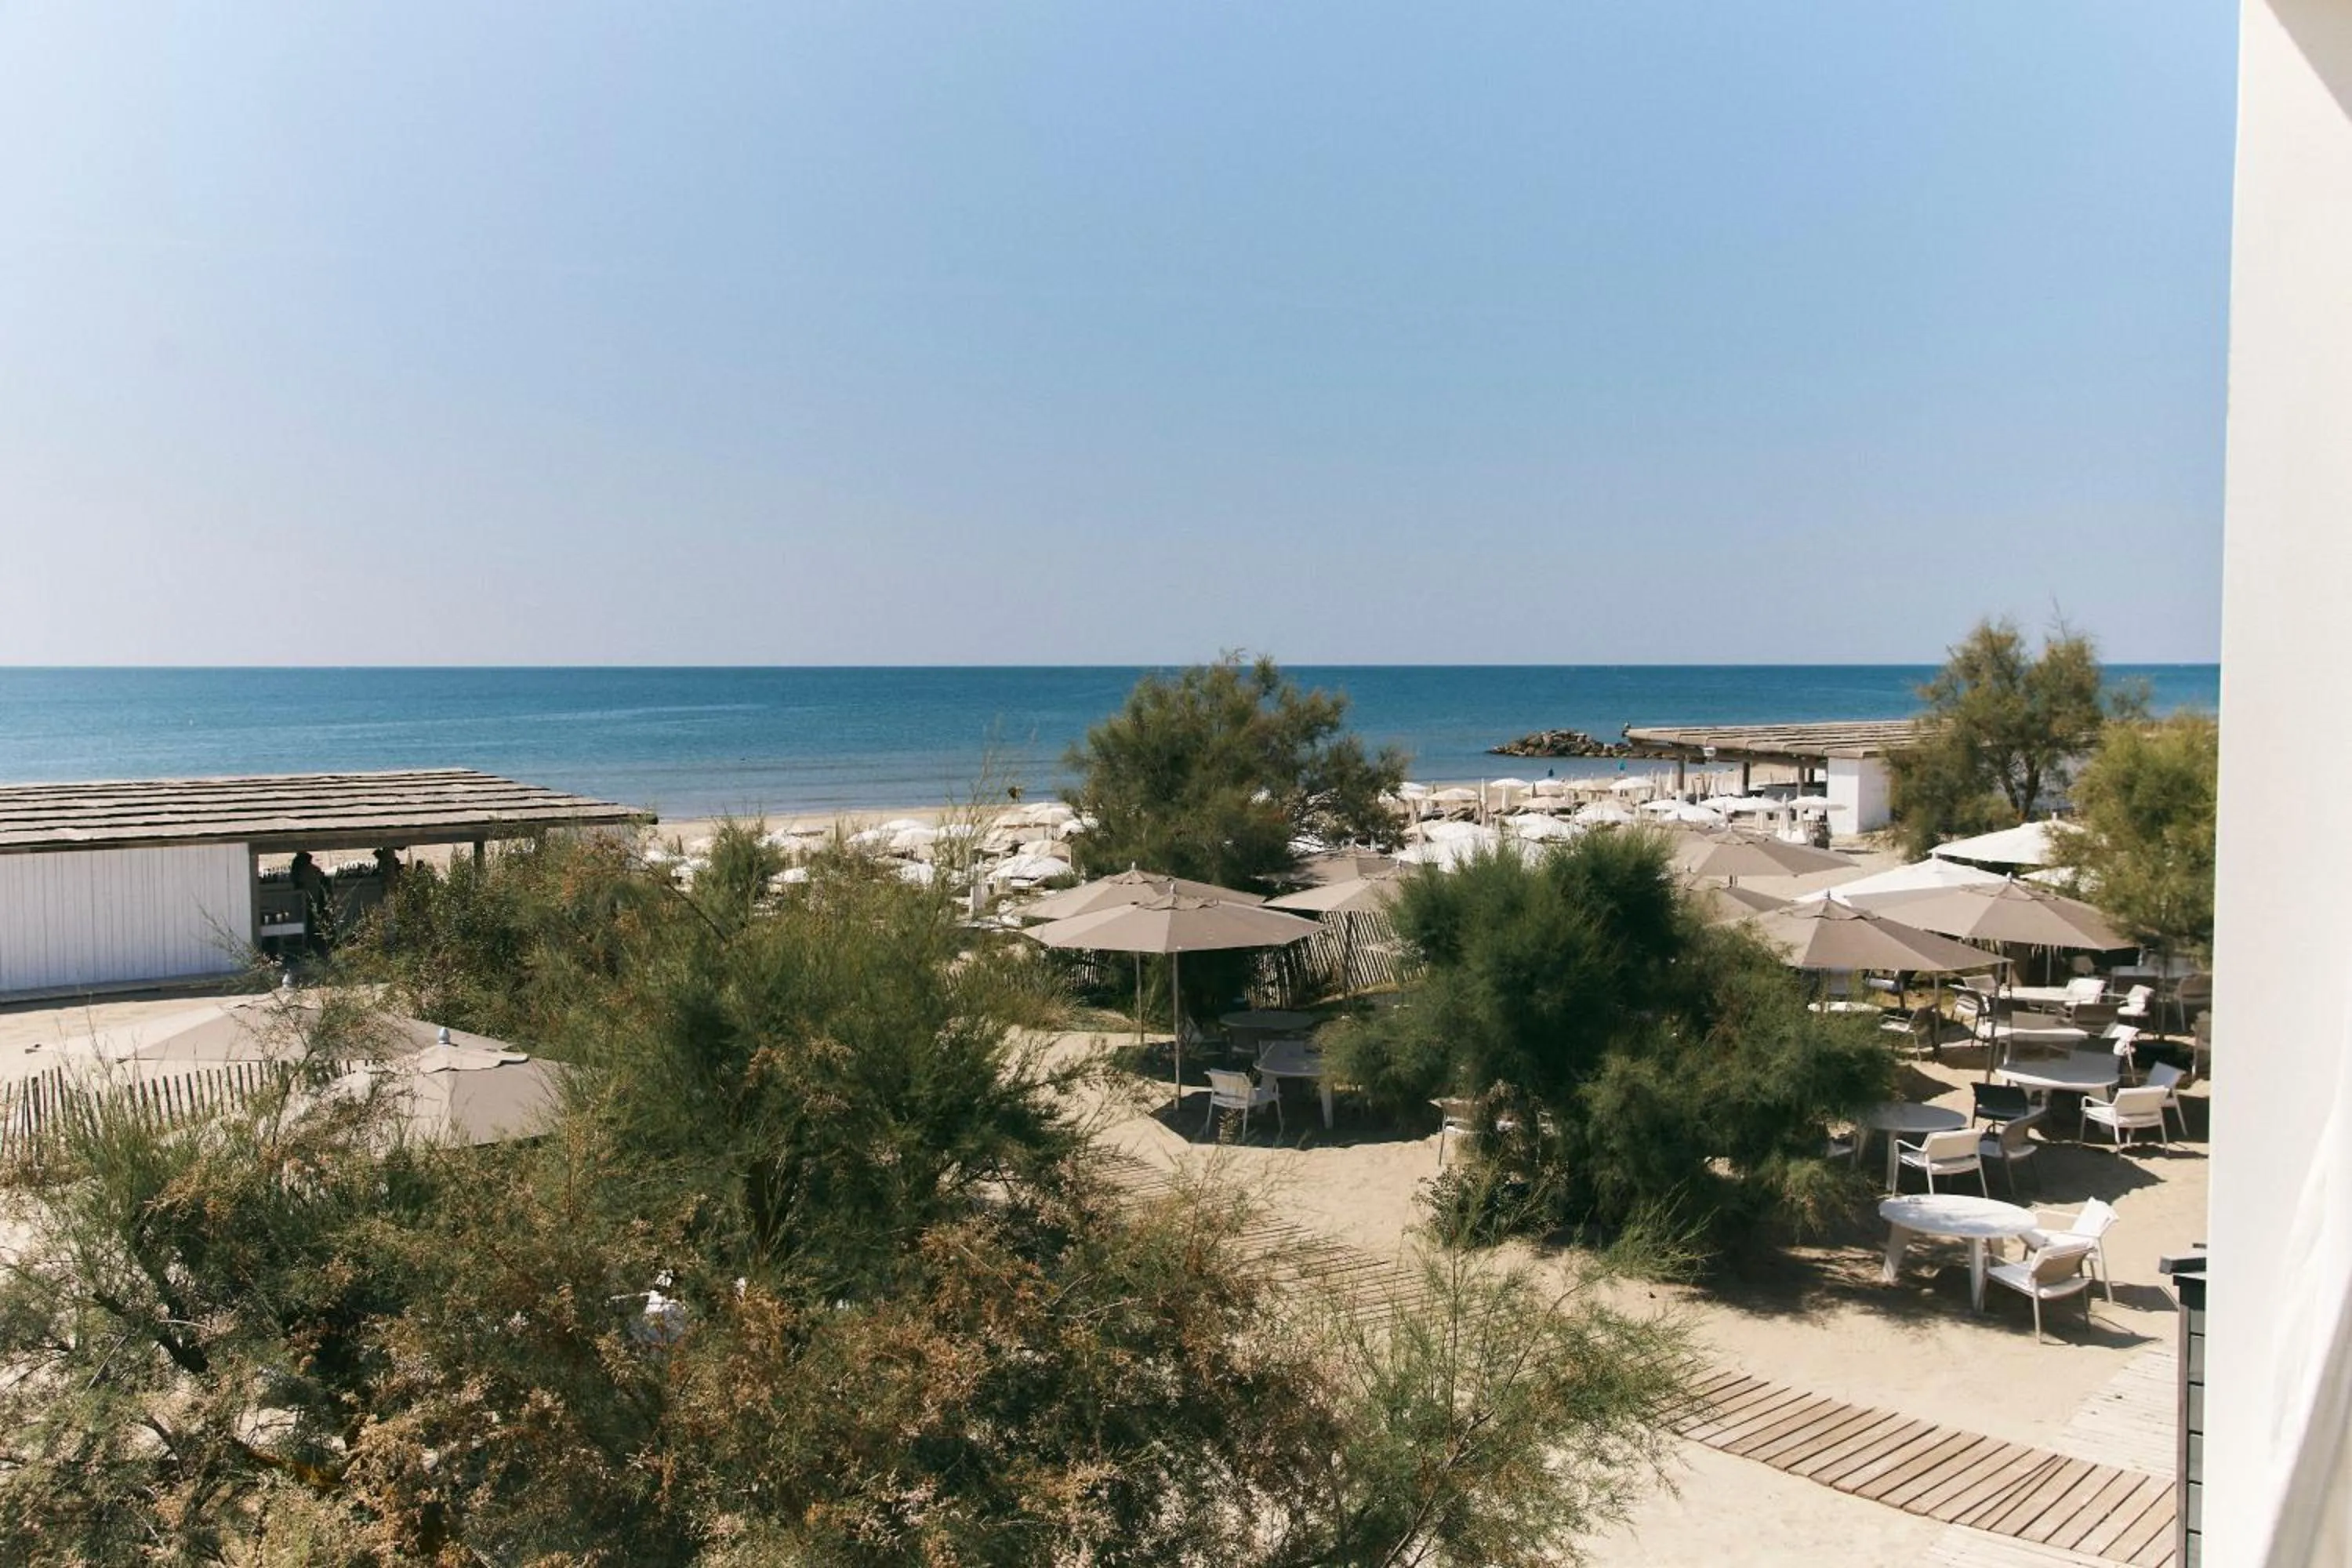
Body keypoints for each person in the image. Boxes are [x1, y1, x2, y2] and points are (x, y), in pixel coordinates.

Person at [289, 851, 332, 947]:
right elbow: (322, 877)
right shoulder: (311, 870)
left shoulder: (298, 871)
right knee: (315, 920)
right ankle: (320, 941)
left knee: (308, 921)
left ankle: (310, 941)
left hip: (307, 899)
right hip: (314, 898)